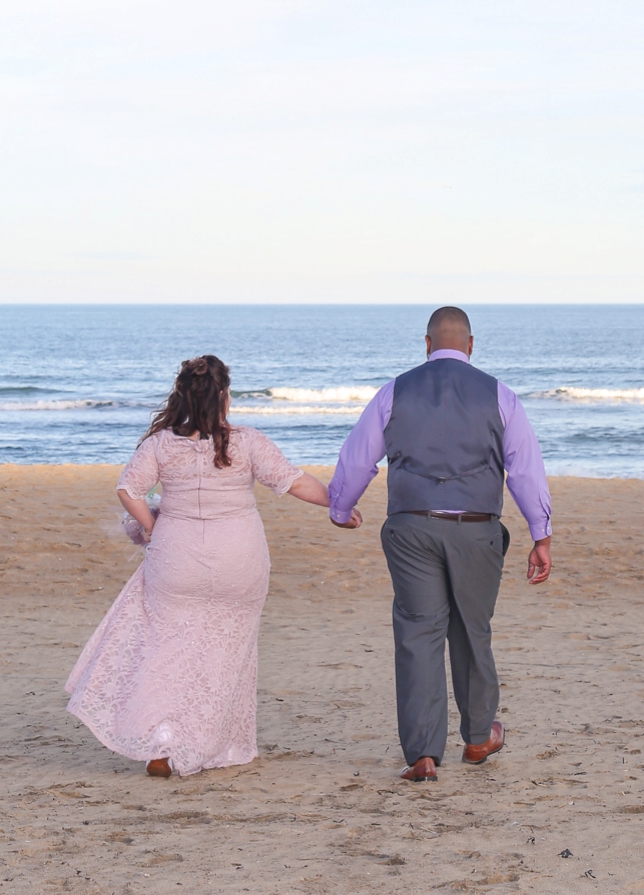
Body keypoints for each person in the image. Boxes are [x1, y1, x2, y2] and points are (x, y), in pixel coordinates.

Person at [65, 354, 360, 779]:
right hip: (239, 561)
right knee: (225, 654)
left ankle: (164, 743)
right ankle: (207, 744)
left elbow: (128, 490)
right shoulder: (248, 441)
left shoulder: (161, 444)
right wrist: (340, 504)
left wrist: (151, 527)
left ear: (183, 395)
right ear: (224, 397)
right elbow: (296, 482)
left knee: (167, 652)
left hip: (176, 559)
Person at [328, 306, 551, 782]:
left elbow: (358, 456)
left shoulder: (395, 390)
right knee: (472, 629)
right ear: (471, 344)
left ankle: (424, 755)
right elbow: (525, 470)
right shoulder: (500, 395)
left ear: (426, 344)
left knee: (418, 634)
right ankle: (476, 739)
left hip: (412, 526)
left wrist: (341, 508)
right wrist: (540, 533)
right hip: (476, 526)